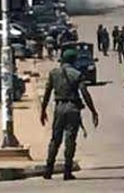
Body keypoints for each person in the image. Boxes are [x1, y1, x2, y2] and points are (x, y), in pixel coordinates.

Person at [40, 48, 99, 180]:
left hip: (59, 108)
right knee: (70, 140)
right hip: (72, 108)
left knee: (55, 140)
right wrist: (93, 111)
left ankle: (48, 169)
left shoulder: (53, 73)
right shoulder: (76, 74)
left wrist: (43, 110)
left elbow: (47, 93)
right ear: (73, 60)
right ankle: (67, 171)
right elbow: (85, 93)